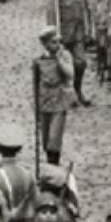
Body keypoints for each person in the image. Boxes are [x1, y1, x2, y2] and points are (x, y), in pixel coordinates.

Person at [32, 28, 75, 166]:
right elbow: (36, 83)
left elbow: (70, 74)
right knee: (45, 139)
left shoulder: (65, 55)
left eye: (58, 42)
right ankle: (49, 162)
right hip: (45, 101)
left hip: (59, 101)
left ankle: (54, 164)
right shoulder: (39, 60)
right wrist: (36, 105)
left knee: (54, 137)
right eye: (53, 42)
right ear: (45, 44)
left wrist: (59, 61)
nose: (57, 45)